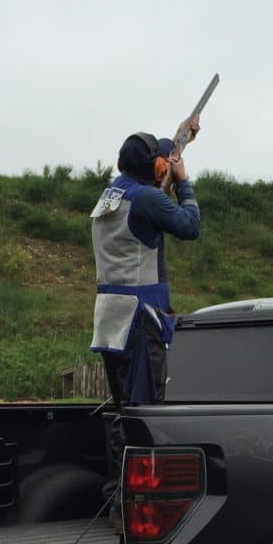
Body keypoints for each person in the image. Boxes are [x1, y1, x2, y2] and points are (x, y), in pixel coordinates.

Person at [90, 121, 201, 522]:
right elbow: (190, 225)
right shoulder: (149, 200)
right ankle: (134, 511)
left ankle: (117, 500)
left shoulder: (111, 195)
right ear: (157, 168)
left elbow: (148, 208)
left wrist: (177, 146)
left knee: (125, 414)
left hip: (110, 322)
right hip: (141, 322)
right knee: (145, 416)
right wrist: (184, 183)